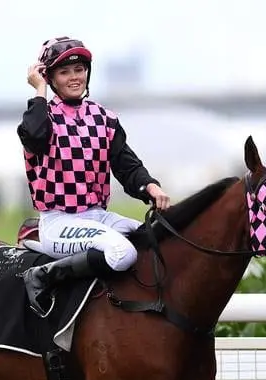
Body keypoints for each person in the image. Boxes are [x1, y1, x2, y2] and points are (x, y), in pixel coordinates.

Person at [17, 36, 172, 314]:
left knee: (156, 238)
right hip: (59, 222)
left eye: (79, 70)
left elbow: (126, 165)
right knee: (123, 253)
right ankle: (42, 276)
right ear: (49, 78)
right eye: (64, 72)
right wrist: (38, 90)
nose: (75, 77)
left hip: (99, 217)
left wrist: (150, 187)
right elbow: (35, 136)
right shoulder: (41, 117)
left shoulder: (105, 118)